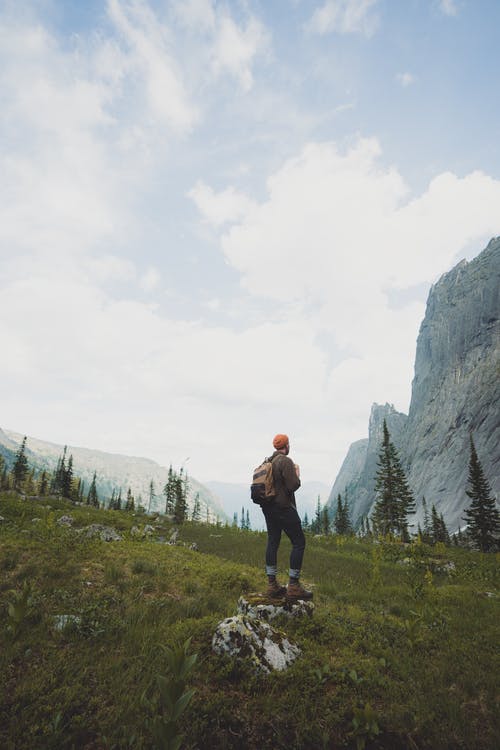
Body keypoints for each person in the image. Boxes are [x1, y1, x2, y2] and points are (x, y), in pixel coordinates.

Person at [262, 434, 313, 601]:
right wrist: (297, 474)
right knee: (299, 542)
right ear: (286, 445)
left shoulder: (267, 461)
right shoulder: (285, 461)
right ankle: (293, 585)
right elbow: (293, 485)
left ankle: (272, 584)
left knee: (273, 541)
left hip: (268, 508)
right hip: (283, 508)